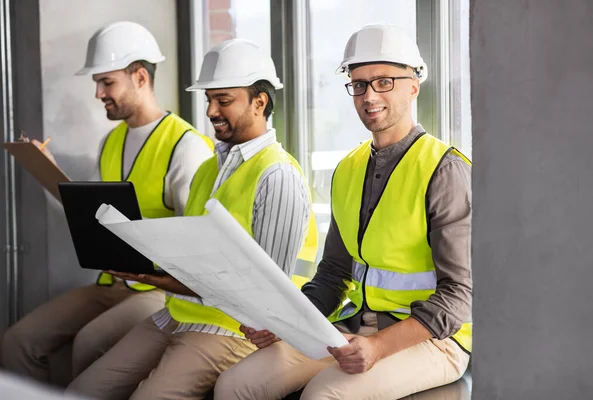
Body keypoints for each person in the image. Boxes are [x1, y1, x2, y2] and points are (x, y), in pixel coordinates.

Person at [214, 22, 473, 400]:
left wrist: (380, 346)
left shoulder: (444, 169)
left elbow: (459, 295)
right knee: (235, 385)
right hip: (355, 327)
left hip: (434, 339)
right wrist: (283, 323)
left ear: (413, 85)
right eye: (359, 84)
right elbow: (334, 274)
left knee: (324, 395)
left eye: (384, 81)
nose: (369, 95)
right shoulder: (349, 169)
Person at [66, 38, 316, 400]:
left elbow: (266, 296)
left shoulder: (276, 174)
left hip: (234, 328)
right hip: (177, 313)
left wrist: (159, 279)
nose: (212, 111)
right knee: (81, 391)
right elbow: (195, 254)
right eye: (209, 100)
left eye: (224, 101)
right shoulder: (209, 169)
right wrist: (154, 266)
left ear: (260, 103)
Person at [1, 21, 214, 383]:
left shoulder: (186, 147)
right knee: (17, 342)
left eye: (107, 82)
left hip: (158, 289)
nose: (98, 93)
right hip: (110, 281)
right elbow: (94, 219)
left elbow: (197, 238)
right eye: (97, 83)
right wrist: (48, 172)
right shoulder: (111, 142)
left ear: (141, 78)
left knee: (89, 342)